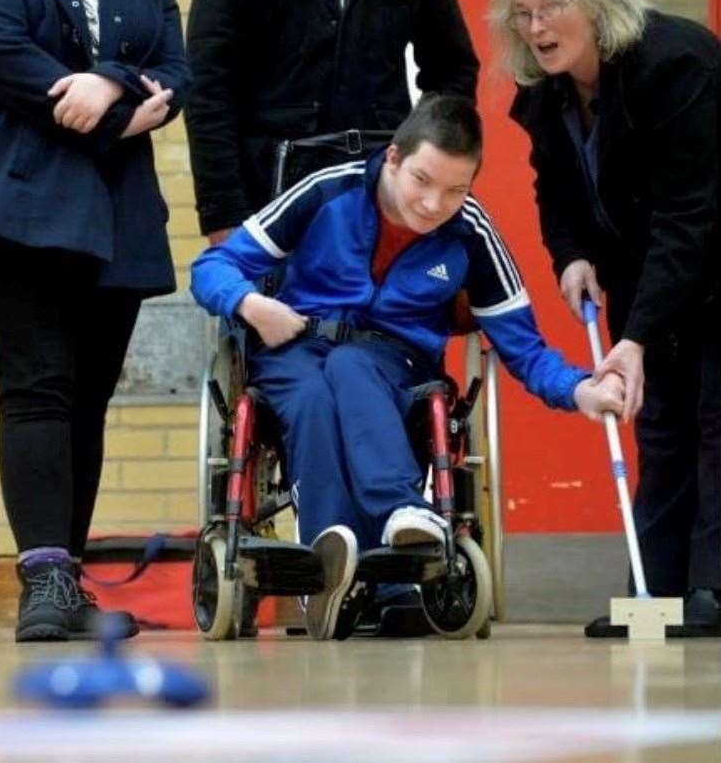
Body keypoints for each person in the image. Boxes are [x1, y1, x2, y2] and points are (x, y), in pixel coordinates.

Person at [190, 95, 626, 640]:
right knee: (311, 398)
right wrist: (251, 305)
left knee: (351, 366)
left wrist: (579, 388)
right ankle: (352, 556)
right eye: (422, 179)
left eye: (455, 190)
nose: (432, 204)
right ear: (393, 158)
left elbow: (524, 347)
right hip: (296, 343)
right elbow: (214, 266)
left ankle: (377, 543)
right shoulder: (330, 189)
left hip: (394, 360)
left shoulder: (470, 231)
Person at [0, 0, 190, 642]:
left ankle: (68, 580)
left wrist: (105, 86)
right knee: (37, 391)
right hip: (15, 205)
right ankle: (43, 580)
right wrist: (117, 107)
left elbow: (177, 73)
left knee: (88, 400)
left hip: (115, 215)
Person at [490, 0, 720, 637]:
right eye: (521, 13)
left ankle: (712, 593)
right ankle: (652, 601)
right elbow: (555, 190)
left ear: (595, 2)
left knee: (715, 424)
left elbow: (690, 213)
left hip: (707, 262)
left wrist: (636, 336)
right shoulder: (545, 93)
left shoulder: (675, 62)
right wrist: (570, 255)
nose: (534, 27)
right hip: (645, 274)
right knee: (659, 429)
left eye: (551, 7)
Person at [185, 0, 479, 246]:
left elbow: (453, 72)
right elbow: (207, 84)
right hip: (270, 200)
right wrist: (224, 215)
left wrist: (431, 184)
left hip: (383, 197)